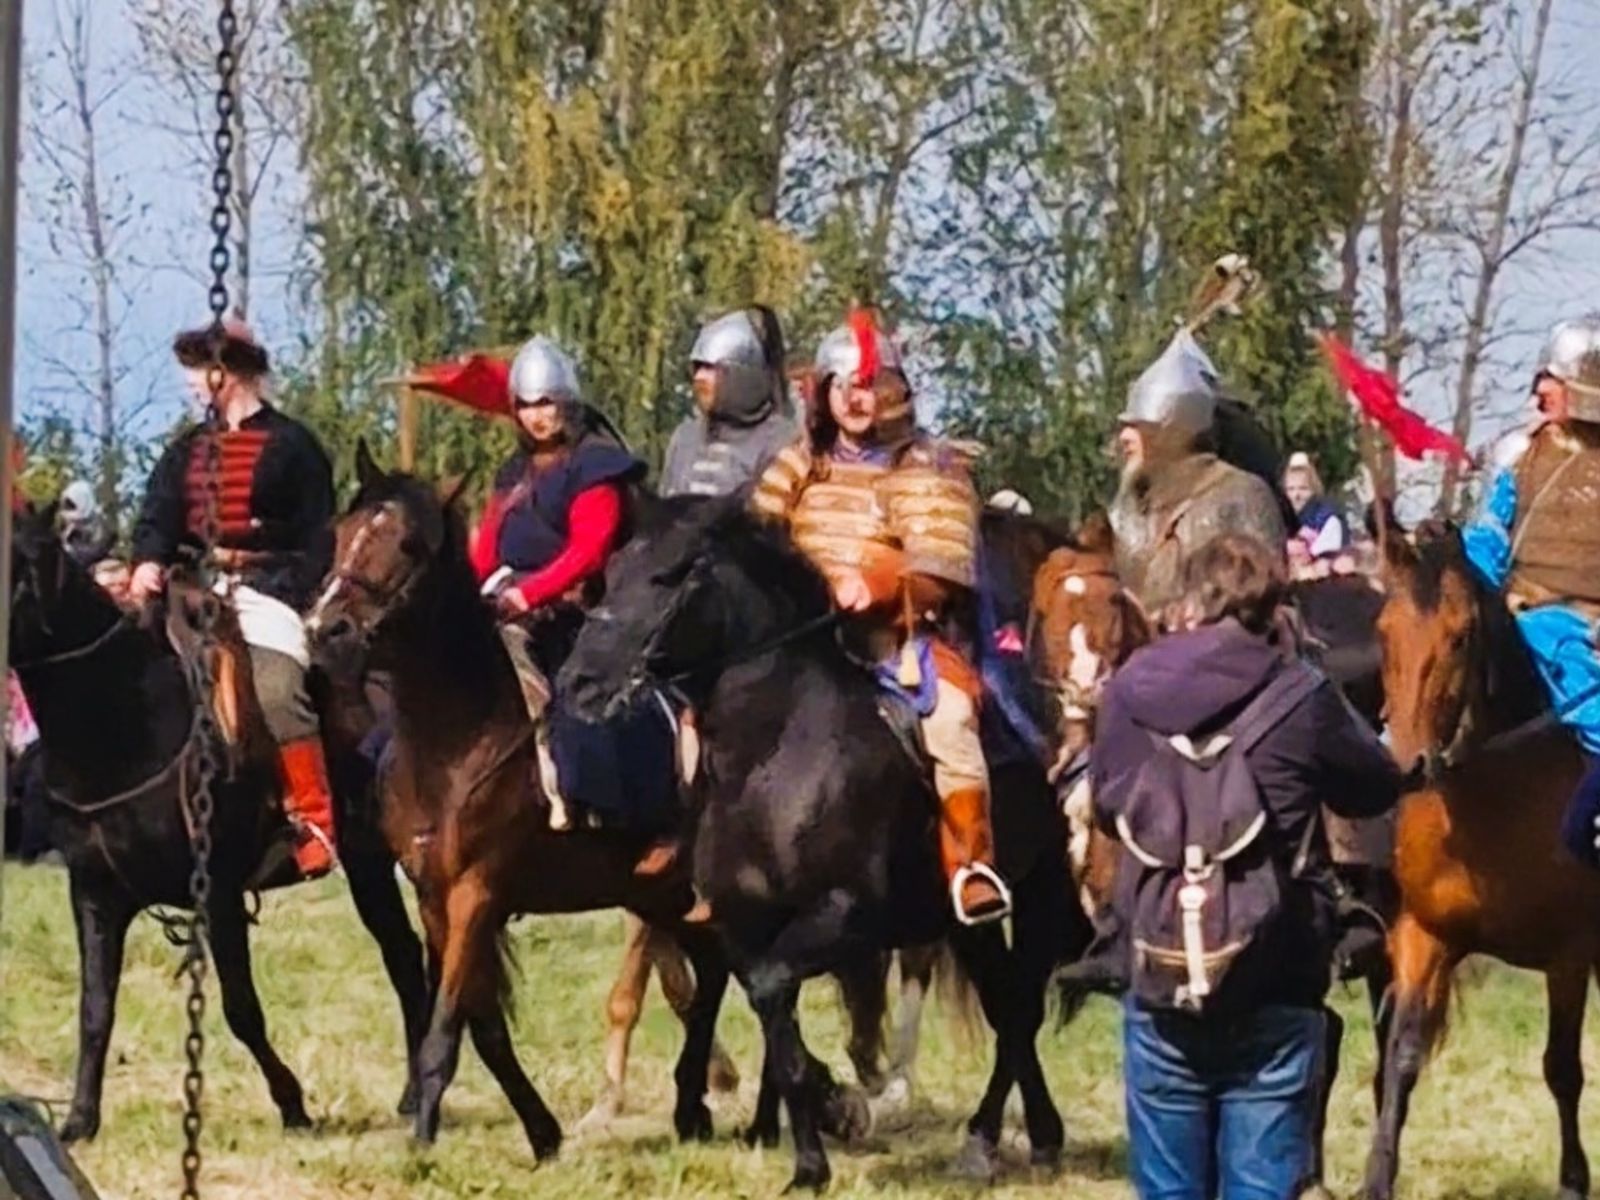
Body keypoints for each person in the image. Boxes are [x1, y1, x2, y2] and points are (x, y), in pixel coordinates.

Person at [1092, 533, 1403, 1200]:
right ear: (1274, 608)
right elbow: (1375, 787)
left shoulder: (1127, 689)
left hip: (1160, 974)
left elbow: (1106, 808)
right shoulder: (1304, 693)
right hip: (1277, 973)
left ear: (1189, 602)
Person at [752, 310, 1009, 926]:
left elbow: (941, 567)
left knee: (950, 721)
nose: (856, 398)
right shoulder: (796, 464)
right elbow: (757, 546)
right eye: (844, 385)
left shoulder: (926, 465)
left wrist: (880, 582)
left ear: (892, 392)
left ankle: (970, 866)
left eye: (868, 385)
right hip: (801, 645)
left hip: (898, 642)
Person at [130, 317, 339, 879]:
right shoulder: (188, 449)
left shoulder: (294, 446)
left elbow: (319, 535)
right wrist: (148, 561)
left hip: (269, 591)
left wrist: (288, 590)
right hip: (194, 589)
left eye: (200, 370)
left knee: (276, 689)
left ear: (229, 371)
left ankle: (313, 819)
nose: (193, 383)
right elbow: (157, 516)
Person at [470, 336, 648, 829]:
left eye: (544, 402)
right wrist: (481, 590)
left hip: (574, 608)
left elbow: (588, 552)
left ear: (566, 402)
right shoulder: (514, 471)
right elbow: (488, 542)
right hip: (506, 600)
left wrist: (527, 595)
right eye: (525, 405)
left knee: (570, 696)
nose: (535, 416)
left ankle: (578, 791)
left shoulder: (595, 463)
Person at [1462, 314, 1600, 865]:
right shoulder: (1519, 456)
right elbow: (1487, 543)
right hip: (1516, 622)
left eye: (1553, 379)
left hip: (1585, 637)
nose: (1539, 388)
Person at [1109, 328, 1287, 623]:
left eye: (1139, 426)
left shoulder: (1241, 494)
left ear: (1172, 431)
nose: (1125, 437)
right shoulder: (1128, 509)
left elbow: (1265, 602)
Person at [660, 307, 796, 499]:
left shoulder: (781, 442)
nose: (699, 377)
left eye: (711, 368)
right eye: (698, 367)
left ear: (741, 373)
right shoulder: (685, 438)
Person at [1282, 452, 1348, 579]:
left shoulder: (1327, 519)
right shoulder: (1281, 517)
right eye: (1290, 489)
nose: (1296, 495)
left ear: (1314, 489)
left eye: (1303, 489)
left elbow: (1327, 559)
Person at [58, 480, 113, 568]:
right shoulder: (67, 525)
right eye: (66, 505)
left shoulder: (100, 525)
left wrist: (70, 551)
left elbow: (97, 550)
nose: (68, 510)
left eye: (71, 505)